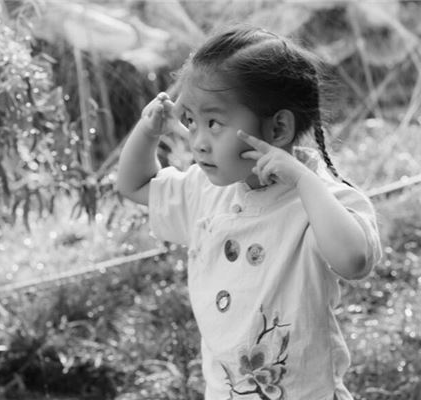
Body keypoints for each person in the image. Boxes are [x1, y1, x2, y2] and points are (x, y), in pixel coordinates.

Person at [117, 25, 382, 400]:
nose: (198, 142)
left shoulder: (320, 200)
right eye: (191, 121)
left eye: (214, 123)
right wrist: (147, 132)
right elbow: (134, 184)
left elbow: (354, 260)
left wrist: (303, 181)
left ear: (278, 128)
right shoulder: (205, 190)